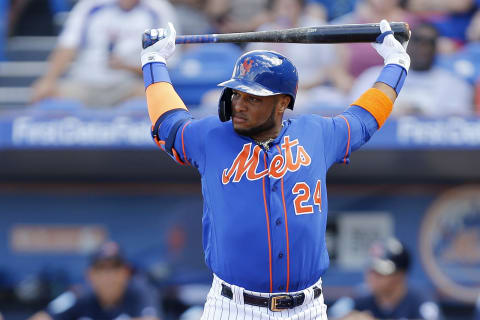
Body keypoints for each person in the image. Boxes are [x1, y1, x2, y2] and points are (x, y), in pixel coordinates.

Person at [140, 19, 410, 319]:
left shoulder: (317, 133)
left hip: (307, 308)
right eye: (237, 94)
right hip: (233, 306)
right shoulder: (211, 137)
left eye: (252, 98)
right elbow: (167, 124)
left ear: (282, 103)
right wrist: (154, 62)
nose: (239, 105)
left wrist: (396, 63)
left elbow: (364, 119)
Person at [30, 0, 178, 107]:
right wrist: (48, 80)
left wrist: (126, 67)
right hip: (86, 82)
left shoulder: (158, 8)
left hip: (128, 85)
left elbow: (166, 64)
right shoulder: (91, 5)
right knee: (46, 94)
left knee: (156, 99)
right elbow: (67, 46)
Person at [350, 22, 474, 117]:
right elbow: (356, 116)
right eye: (418, 41)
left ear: (437, 48)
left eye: (429, 43)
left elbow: (458, 125)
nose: (423, 48)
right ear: (406, 43)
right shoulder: (374, 76)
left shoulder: (454, 84)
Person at [28, 241, 161, 320]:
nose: (109, 276)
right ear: (90, 274)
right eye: (102, 269)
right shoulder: (81, 295)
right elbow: (42, 317)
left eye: (115, 268)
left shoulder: (140, 291)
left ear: (125, 272)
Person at [328, 238, 441, 320]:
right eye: (370, 269)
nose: (372, 276)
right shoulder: (359, 296)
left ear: (400, 275)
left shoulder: (421, 302)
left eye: (380, 272)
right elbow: (331, 315)